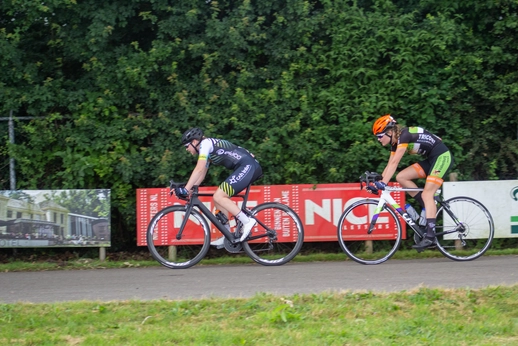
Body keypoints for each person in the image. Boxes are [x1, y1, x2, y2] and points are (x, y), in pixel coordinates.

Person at [369, 114, 454, 250]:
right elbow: (390, 164)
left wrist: (383, 183)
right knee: (401, 177)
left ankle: (430, 237)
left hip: (442, 157)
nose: (378, 140)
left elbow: (396, 162)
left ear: (390, 132)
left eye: (380, 136)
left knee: (427, 194)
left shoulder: (404, 136)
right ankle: (426, 208)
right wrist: (378, 182)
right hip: (431, 159)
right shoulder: (395, 143)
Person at [175, 127, 263, 247]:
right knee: (217, 199)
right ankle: (227, 234)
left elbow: (199, 169)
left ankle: (247, 221)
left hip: (247, 166)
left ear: (194, 142)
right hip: (244, 166)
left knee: (220, 195)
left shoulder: (205, 144)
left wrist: (185, 189)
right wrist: (192, 188)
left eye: (187, 146)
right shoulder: (205, 149)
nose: (186, 149)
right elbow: (202, 173)